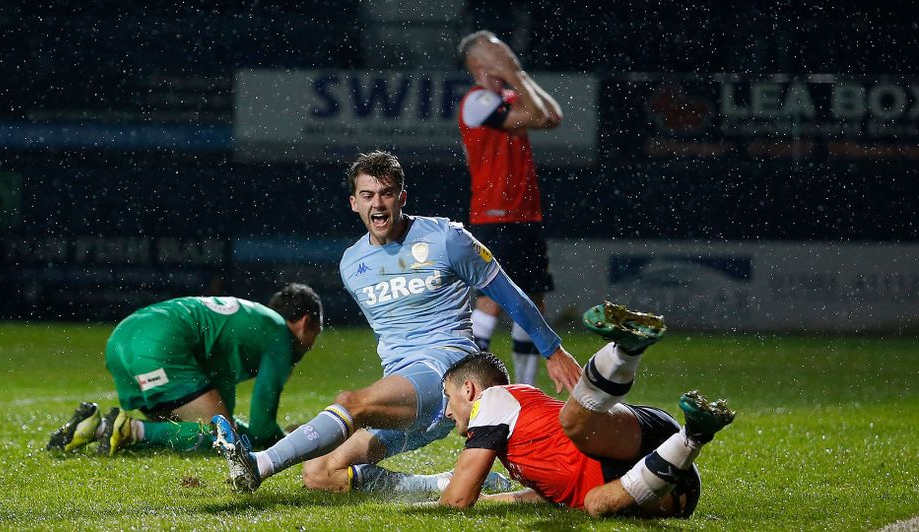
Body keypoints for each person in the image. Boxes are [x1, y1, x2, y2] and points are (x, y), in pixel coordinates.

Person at [211, 150, 582, 493]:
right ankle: (449, 485)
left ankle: (257, 464)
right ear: (354, 203)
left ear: (402, 197)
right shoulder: (351, 265)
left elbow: (510, 295)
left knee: (351, 402)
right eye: (368, 195)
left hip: (446, 375)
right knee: (319, 474)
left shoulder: (447, 239)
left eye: (386, 193)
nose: (378, 203)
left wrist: (553, 350)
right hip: (406, 398)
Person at [435, 301, 736, 518]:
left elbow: (457, 501)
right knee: (593, 503)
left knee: (573, 424)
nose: (448, 411)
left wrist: (422, 505)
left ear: (469, 390)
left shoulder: (491, 401)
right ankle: (693, 435)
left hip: (622, 443)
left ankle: (625, 349)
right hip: (663, 479)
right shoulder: (516, 425)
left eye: (448, 396)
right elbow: (552, 492)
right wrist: (493, 500)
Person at [46, 284, 323, 456]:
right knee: (224, 442)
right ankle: (127, 429)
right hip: (160, 345)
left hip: (122, 338)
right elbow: (261, 430)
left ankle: (97, 428)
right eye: (317, 332)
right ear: (306, 323)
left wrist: (247, 431)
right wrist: (293, 441)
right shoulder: (280, 338)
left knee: (184, 430)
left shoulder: (250, 324)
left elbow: (226, 413)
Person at [456, 30, 564, 386]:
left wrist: (517, 75)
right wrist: (516, 75)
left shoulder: (507, 94)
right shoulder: (477, 102)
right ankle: (469, 384)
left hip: (525, 214)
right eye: (496, 52)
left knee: (532, 300)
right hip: (495, 214)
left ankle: (527, 388)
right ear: (478, 63)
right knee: (493, 298)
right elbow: (537, 116)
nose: (507, 56)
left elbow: (553, 116)